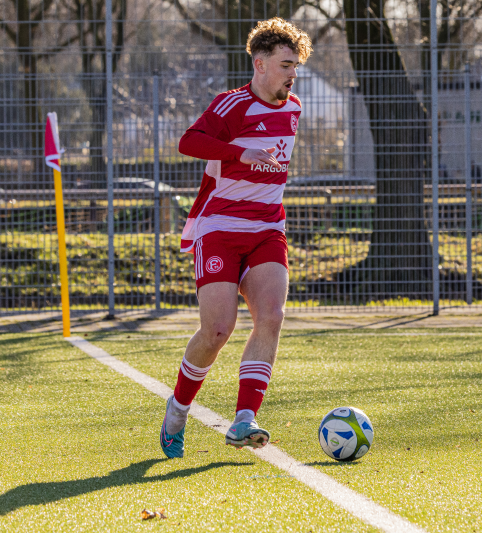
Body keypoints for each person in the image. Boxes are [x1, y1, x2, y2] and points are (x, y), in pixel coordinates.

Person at [159, 18, 312, 458]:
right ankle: (178, 408)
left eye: (296, 66)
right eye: (285, 65)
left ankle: (245, 418)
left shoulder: (293, 107)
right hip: (221, 228)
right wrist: (239, 152)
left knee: (272, 316)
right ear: (260, 64)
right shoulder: (232, 105)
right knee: (217, 330)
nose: (292, 75)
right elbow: (189, 142)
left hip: (267, 229)